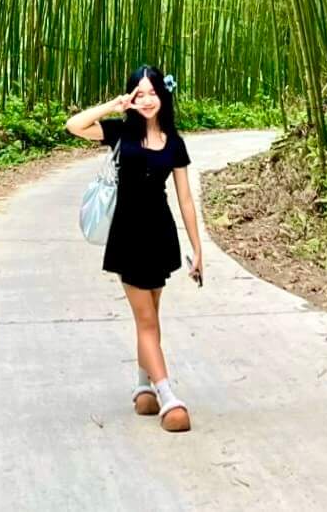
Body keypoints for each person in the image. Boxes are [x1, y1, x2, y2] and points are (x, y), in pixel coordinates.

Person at [65, 66, 205, 433]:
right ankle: (167, 395)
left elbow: (186, 199)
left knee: (151, 314)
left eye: (152, 92)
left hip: (159, 232)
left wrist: (198, 249)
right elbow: (74, 125)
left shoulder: (174, 141)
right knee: (146, 319)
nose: (145, 99)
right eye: (138, 93)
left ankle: (144, 386)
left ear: (164, 95)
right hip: (127, 234)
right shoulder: (120, 132)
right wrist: (113, 106)